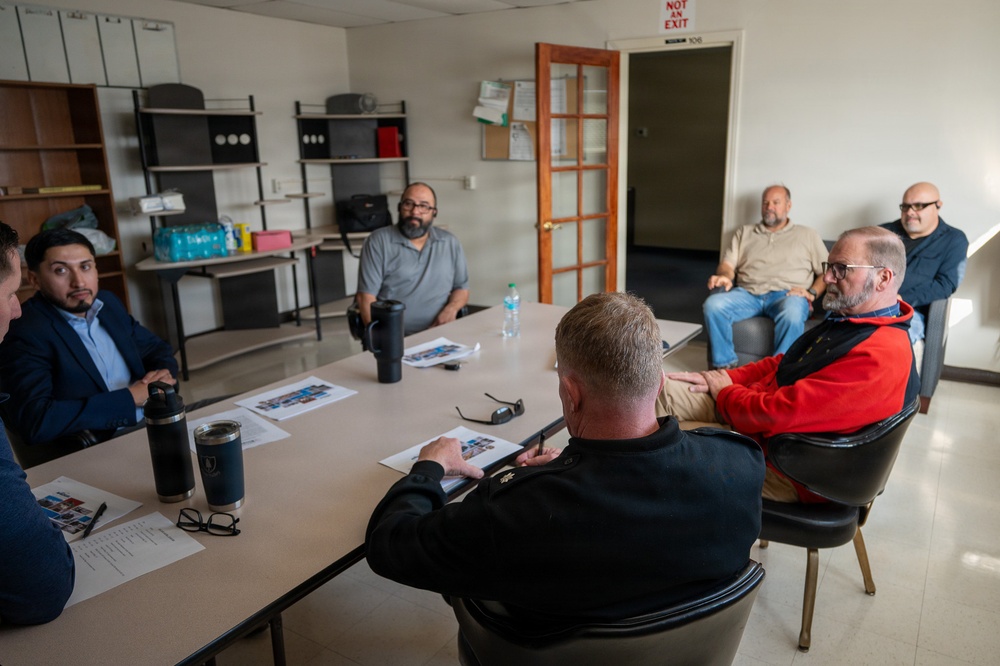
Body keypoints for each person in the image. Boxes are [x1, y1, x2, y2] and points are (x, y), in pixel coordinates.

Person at [366, 292, 765, 623]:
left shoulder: (512, 513)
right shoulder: (740, 464)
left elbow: (389, 546)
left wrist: (429, 468)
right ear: (660, 383)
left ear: (571, 395)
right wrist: (564, 474)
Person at [661, 226, 920, 503]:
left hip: (787, 471)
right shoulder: (853, 319)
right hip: (760, 425)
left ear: (883, 278)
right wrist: (726, 377)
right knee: (657, 392)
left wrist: (726, 393)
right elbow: (785, 361)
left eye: (841, 269)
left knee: (660, 450)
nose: (828, 277)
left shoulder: (880, 357)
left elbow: (778, 414)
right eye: (829, 266)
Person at [0, 228, 178, 465]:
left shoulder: (107, 303)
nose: (79, 281)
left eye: (85, 266)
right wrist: (130, 398)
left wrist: (162, 375)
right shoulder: (25, 330)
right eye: (61, 270)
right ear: (34, 279)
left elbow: (158, 350)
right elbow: (36, 421)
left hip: (153, 417)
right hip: (102, 443)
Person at [0, 221, 75, 624]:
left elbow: (158, 352)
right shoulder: (31, 330)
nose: (16, 307)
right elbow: (43, 585)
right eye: (10, 294)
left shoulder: (111, 305)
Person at [704, 185, 828, 369]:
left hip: (787, 296)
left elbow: (827, 272)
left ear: (788, 205)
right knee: (713, 305)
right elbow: (728, 265)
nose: (769, 206)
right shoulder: (744, 232)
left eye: (776, 202)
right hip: (748, 294)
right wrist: (725, 276)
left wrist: (812, 292)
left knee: (793, 313)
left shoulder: (807, 235)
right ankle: (724, 367)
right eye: (765, 202)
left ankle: (778, 372)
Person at [356, 182, 469, 336]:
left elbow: (461, 288)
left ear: (434, 212)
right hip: (395, 337)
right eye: (409, 204)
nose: (415, 211)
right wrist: (384, 341)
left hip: (442, 332)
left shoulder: (450, 242)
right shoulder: (378, 241)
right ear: (399, 207)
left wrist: (451, 310)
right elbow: (366, 297)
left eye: (424, 206)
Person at [880, 182, 968, 343]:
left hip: (910, 310)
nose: (910, 212)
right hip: (869, 303)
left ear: (938, 205)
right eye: (905, 207)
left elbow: (945, 284)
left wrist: (900, 298)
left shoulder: (953, 240)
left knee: (889, 340)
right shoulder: (882, 233)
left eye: (918, 206)